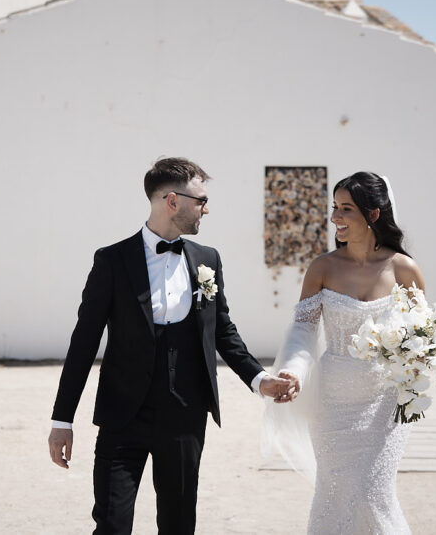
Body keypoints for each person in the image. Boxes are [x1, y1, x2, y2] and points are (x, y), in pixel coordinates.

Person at [49, 157, 293, 535]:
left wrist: (259, 379)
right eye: (201, 200)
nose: (206, 209)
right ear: (172, 202)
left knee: (179, 525)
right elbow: (83, 343)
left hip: (185, 417)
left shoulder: (207, 259)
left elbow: (222, 330)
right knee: (111, 525)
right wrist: (62, 420)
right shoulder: (112, 261)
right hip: (122, 417)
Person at [268, 171, 424, 534]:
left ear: (373, 214)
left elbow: (422, 334)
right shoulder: (322, 267)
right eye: (334, 208)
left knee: (374, 493)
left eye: (346, 209)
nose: (336, 217)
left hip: (385, 404)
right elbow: (303, 327)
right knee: (334, 493)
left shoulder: (404, 269)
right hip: (333, 402)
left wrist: (419, 365)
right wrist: (292, 369)